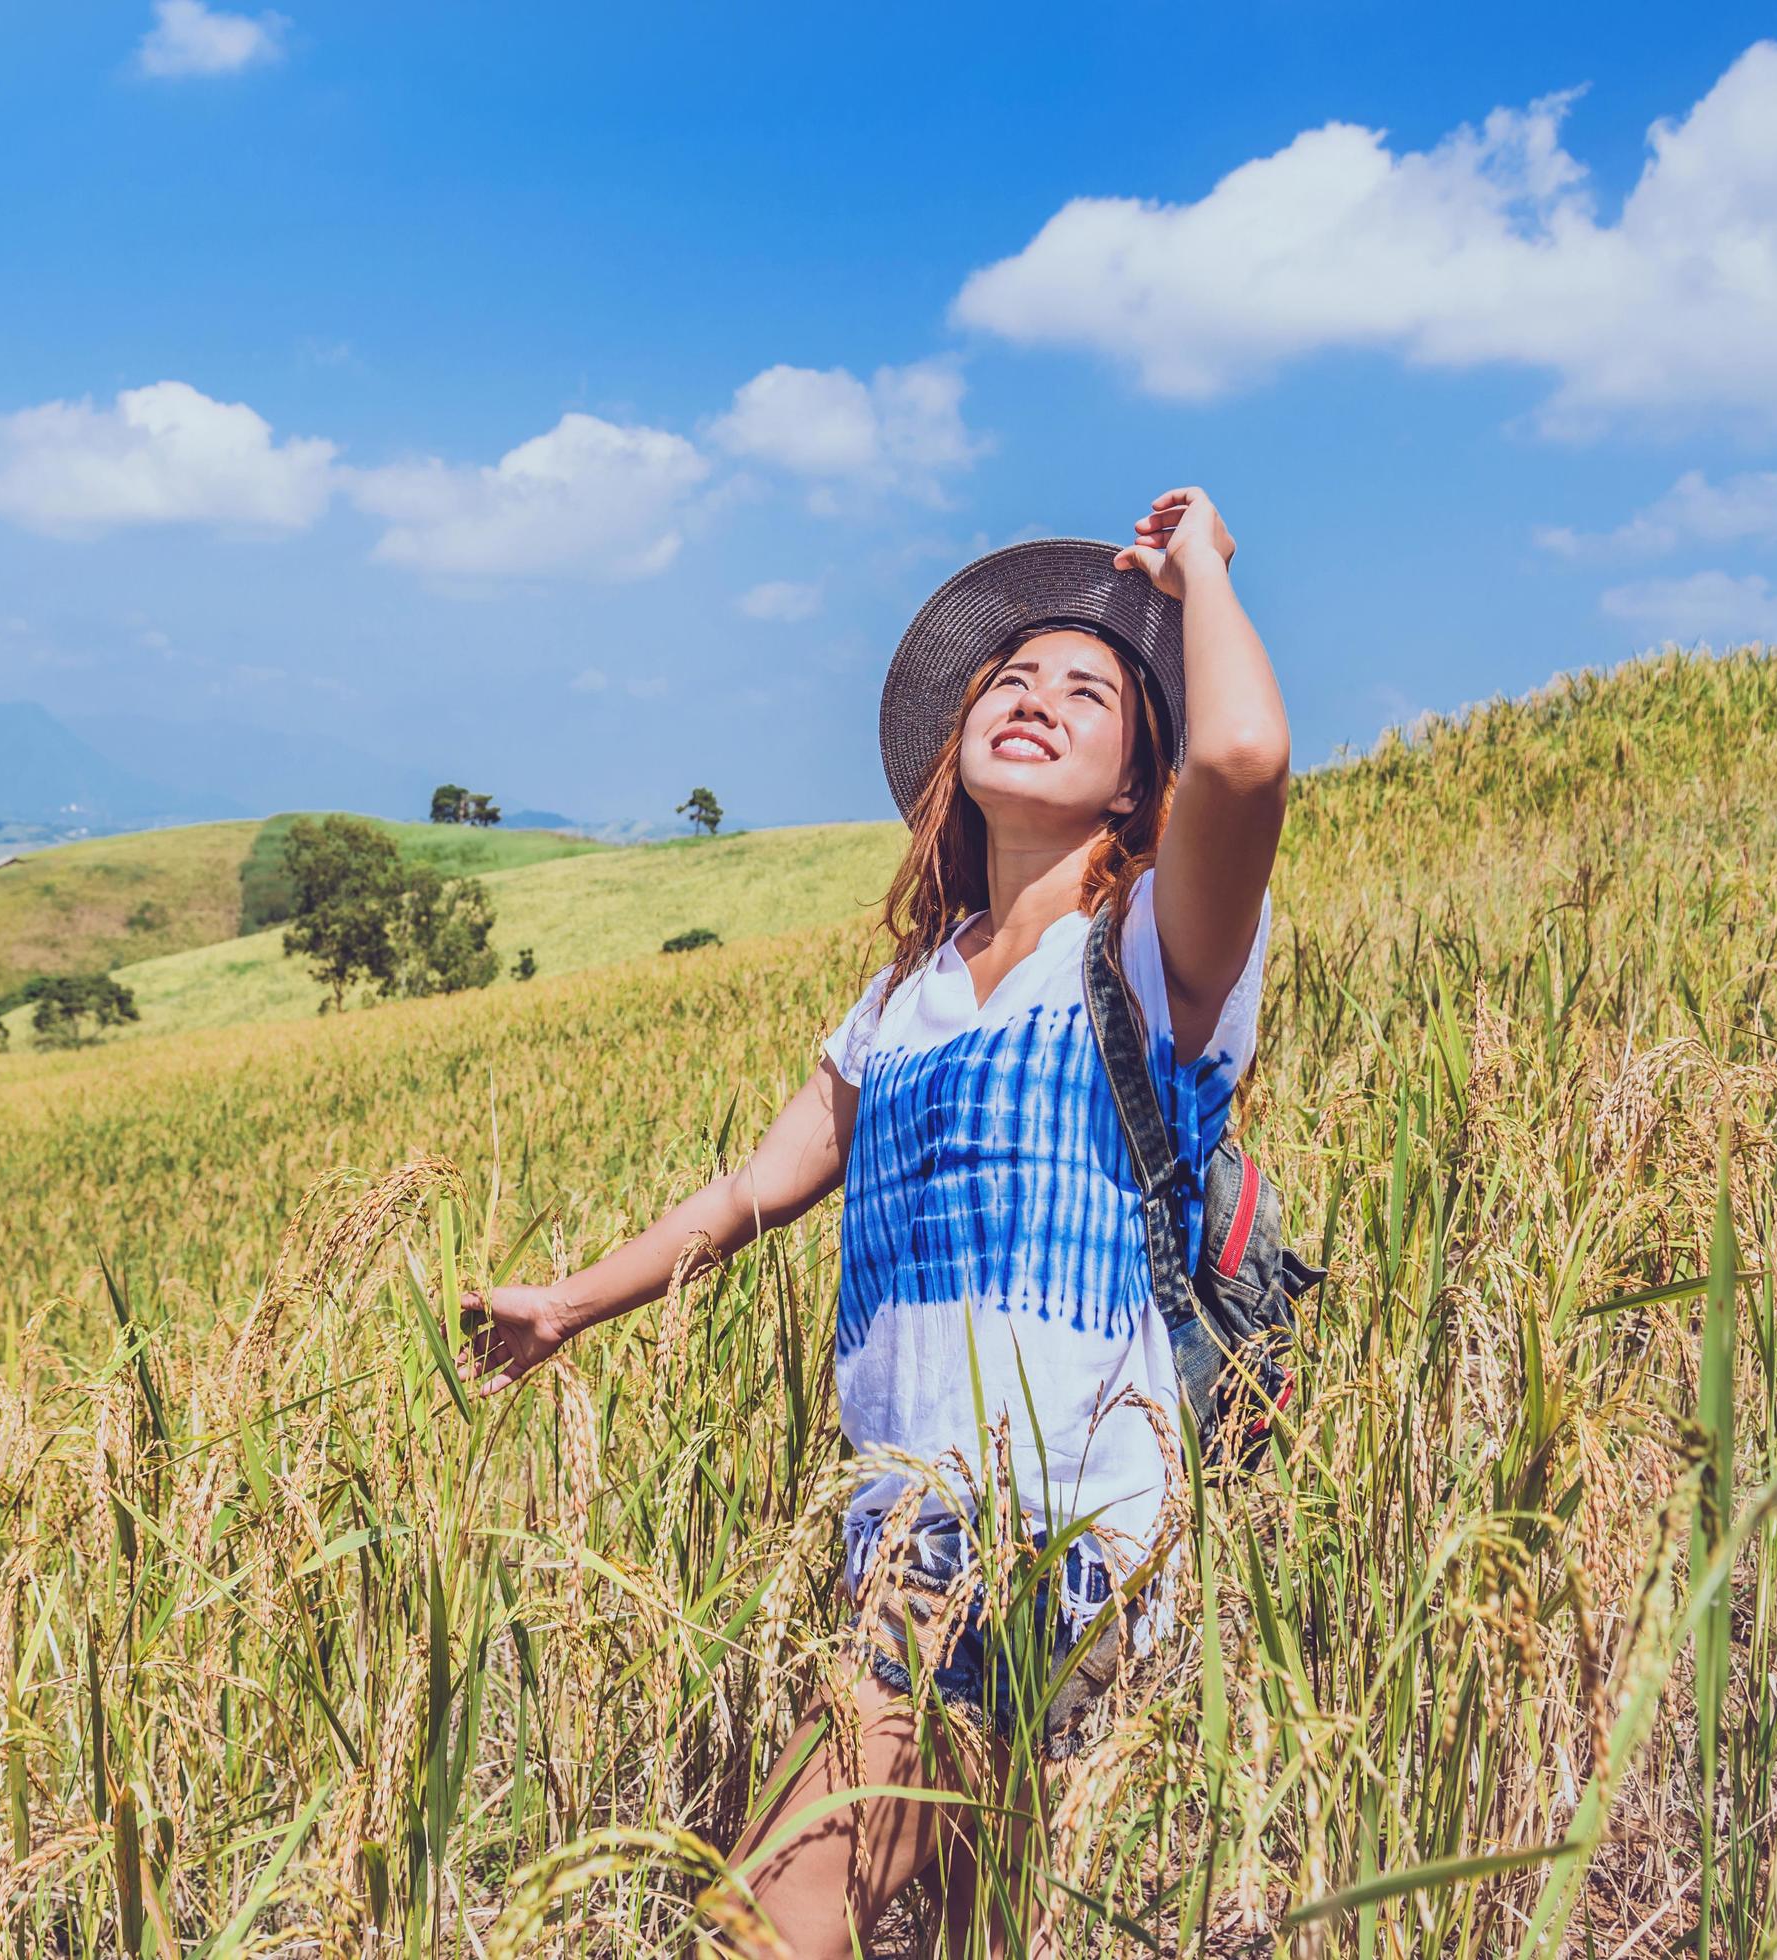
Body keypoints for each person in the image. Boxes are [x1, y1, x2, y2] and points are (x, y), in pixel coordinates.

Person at [457, 488, 1288, 1955]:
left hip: (1052, 1534)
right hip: (900, 1523)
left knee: (763, 1922)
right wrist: (572, 1303)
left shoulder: (1158, 949)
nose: (1036, 697)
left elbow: (1241, 753)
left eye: (1087, 692)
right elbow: (754, 1190)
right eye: (1011, 680)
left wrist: (1199, 571)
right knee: (984, 1932)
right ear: (955, 753)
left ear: (1126, 786)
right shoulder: (906, 1000)